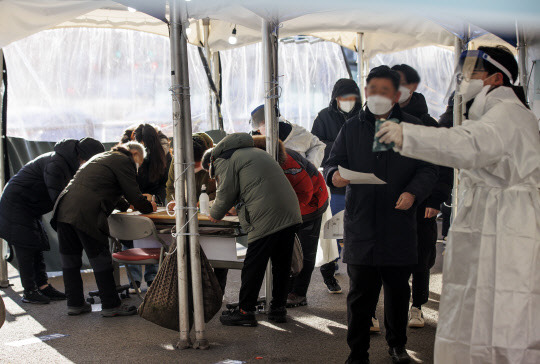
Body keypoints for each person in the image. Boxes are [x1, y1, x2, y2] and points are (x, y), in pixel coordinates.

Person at [376, 46, 540, 363]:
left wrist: (408, 135)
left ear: (495, 78)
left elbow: (466, 145)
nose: (462, 78)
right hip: (494, 217)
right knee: (482, 301)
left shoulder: (506, 114)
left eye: (470, 72)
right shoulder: (496, 114)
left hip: (507, 223)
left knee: (505, 306)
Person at [325, 66, 438, 364]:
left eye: (384, 90)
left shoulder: (413, 127)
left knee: (398, 291)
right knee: (360, 294)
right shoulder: (351, 127)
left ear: (396, 94)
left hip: (399, 222)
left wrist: (413, 192)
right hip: (362, 221)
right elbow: (332, 162)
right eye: (372, 89)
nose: (377, 95)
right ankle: (357, 351)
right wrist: (334, 175)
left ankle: (397, 346)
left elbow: (429, 168)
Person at [206, 133, 302, 327]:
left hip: (266, 215)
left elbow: (225, 192)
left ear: (212, 162)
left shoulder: (225, 159)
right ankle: (278, 309)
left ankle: (245, 311)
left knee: (253, 265)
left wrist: (215, 213)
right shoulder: (256, 153)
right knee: (281, 265)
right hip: (290, 212)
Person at [52, 142, 157, 317]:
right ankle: (111, 305)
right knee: (100, 260)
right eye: (140, 161)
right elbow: (133, 195)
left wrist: (125, 206)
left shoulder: (102, 158)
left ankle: (75, 304)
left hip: (64, 209)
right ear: (134, 154)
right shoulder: (124, 161)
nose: (138, 167)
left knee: (70, 261)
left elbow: (108, 190)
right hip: (87, 212)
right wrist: (149, 207)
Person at [0, 138, 104, 304]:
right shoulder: (56, 163)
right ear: (82, 156)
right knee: (26, 248)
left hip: (29, 206)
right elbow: (59, 199)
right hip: (16, 205)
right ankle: (29, 291)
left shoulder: (66, 162)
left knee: (36, 246)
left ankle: (43, 286)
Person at [391, 64, 453, 328]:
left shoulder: (429, 123)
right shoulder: (380, 120)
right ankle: (388, 308)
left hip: (421, 202)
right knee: (389, 257)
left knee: (421, 256)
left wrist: (434, 199)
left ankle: (416, 306)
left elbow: (442, 165)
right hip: (390, 204)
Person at [252, 135, 329, 307]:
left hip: (312, 204)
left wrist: (286, 214)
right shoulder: (259, 162)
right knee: (285, 249)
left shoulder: (288, 164)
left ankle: (299, 293)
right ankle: (284, 291)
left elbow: (305, 193)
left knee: (305, 250)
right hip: (287, 206)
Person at [312, 78, 362, 295]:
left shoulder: (364, 116)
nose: (348, 102)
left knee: (354, 230)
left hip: (359, 182)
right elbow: (316, 145)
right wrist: (343, 147)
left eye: (352, 98)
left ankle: (357, 272)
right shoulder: (324, 116)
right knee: (331, 230)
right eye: (343, 98)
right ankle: (328, 273)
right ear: (335, 98)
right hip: (333, 182)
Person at [120, 124, 172, 291]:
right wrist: (137, 197)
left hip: (153, 202)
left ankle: (151, 279)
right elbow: (125, 180)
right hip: (132, 199)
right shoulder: (126, 151)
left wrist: (154, 198)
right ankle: (134, 282)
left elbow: (166, 183)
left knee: (152, 235)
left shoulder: (164, 154)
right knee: (128, 236)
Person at [250, 104, 326, 169]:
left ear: (277, 121)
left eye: (270, 123)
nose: (269, 128)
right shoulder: (251, 143)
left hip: (298, 178)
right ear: (257, 130)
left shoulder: (297, 133)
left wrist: (310, 165)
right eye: (264, 125)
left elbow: (318, 145)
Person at [166, 133, 216, 204]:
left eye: (198, 166)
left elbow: (224, 189)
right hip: (184, 210)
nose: (195, 169)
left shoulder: (216, 156)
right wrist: (174, 202)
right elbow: (170, 187)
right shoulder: (178, 160)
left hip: (209, 208)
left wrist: (206, 200)